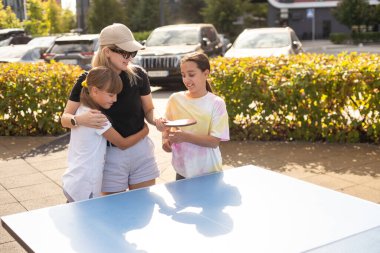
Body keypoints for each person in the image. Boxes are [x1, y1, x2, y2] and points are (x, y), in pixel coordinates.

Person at [61, 23, 166, 195]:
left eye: (132, 52)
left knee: (144, 207)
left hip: (142, 153)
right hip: (109, 157)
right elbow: (65, 118)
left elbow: (149, 110)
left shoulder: (138, 75)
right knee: (114, 215)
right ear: (107, 51)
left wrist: (157, 120)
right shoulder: (87, 80)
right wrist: (79, 120)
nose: (129, 57)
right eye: (124, 52)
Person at [62, 66, 149, 202]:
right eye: (111, 94)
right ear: (95, 91)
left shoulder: (82, 110)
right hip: (85, 184)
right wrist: (145, 130)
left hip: (75, 179)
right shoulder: (97, 117)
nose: (114, 100)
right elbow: (122, 143)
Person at [162, 52, 230, 180]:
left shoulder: (216, 103)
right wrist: (165, 141)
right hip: (182, 170)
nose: (186, 80)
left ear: (206, 73)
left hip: (209, 171)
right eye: (183, 75)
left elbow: (214, 141)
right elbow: (167, 128)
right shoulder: (175, 99)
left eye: (191, 75)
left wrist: (185, 137)